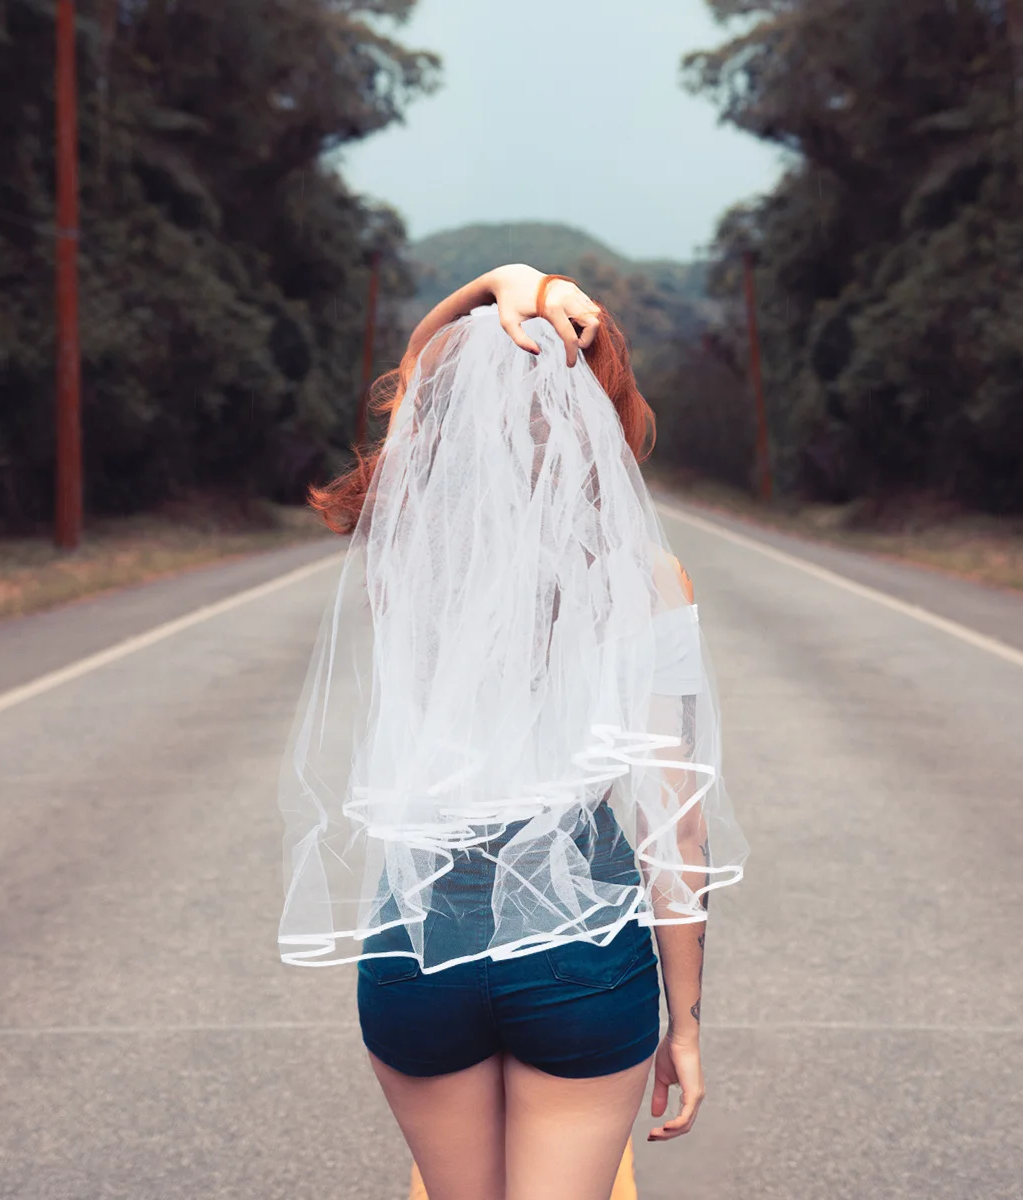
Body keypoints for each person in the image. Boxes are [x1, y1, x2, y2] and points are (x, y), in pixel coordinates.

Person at [279, 263, 747, 1200]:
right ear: (595, 412)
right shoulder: (649, 578)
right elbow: (676, 830)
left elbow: (416, 378)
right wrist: (685, 1026)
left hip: (418, 945)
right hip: (583, 944)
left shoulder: (405, 552)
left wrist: (499, 285)